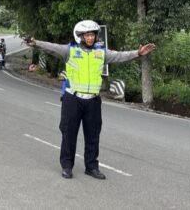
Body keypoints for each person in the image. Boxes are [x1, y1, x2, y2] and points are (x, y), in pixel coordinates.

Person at [27, 20, 156, 180]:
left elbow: (119, 56)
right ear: (80, 36)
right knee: (69, 134)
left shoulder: (101, 52)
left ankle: (92, 167)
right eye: (87, 35)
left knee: (93, 135)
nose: (90, 38)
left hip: (93, 101)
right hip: (73, 99)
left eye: (93, 35)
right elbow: (51, 47)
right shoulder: (69, 51)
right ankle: (67, 166)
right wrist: (35, 43)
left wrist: (138, 53)